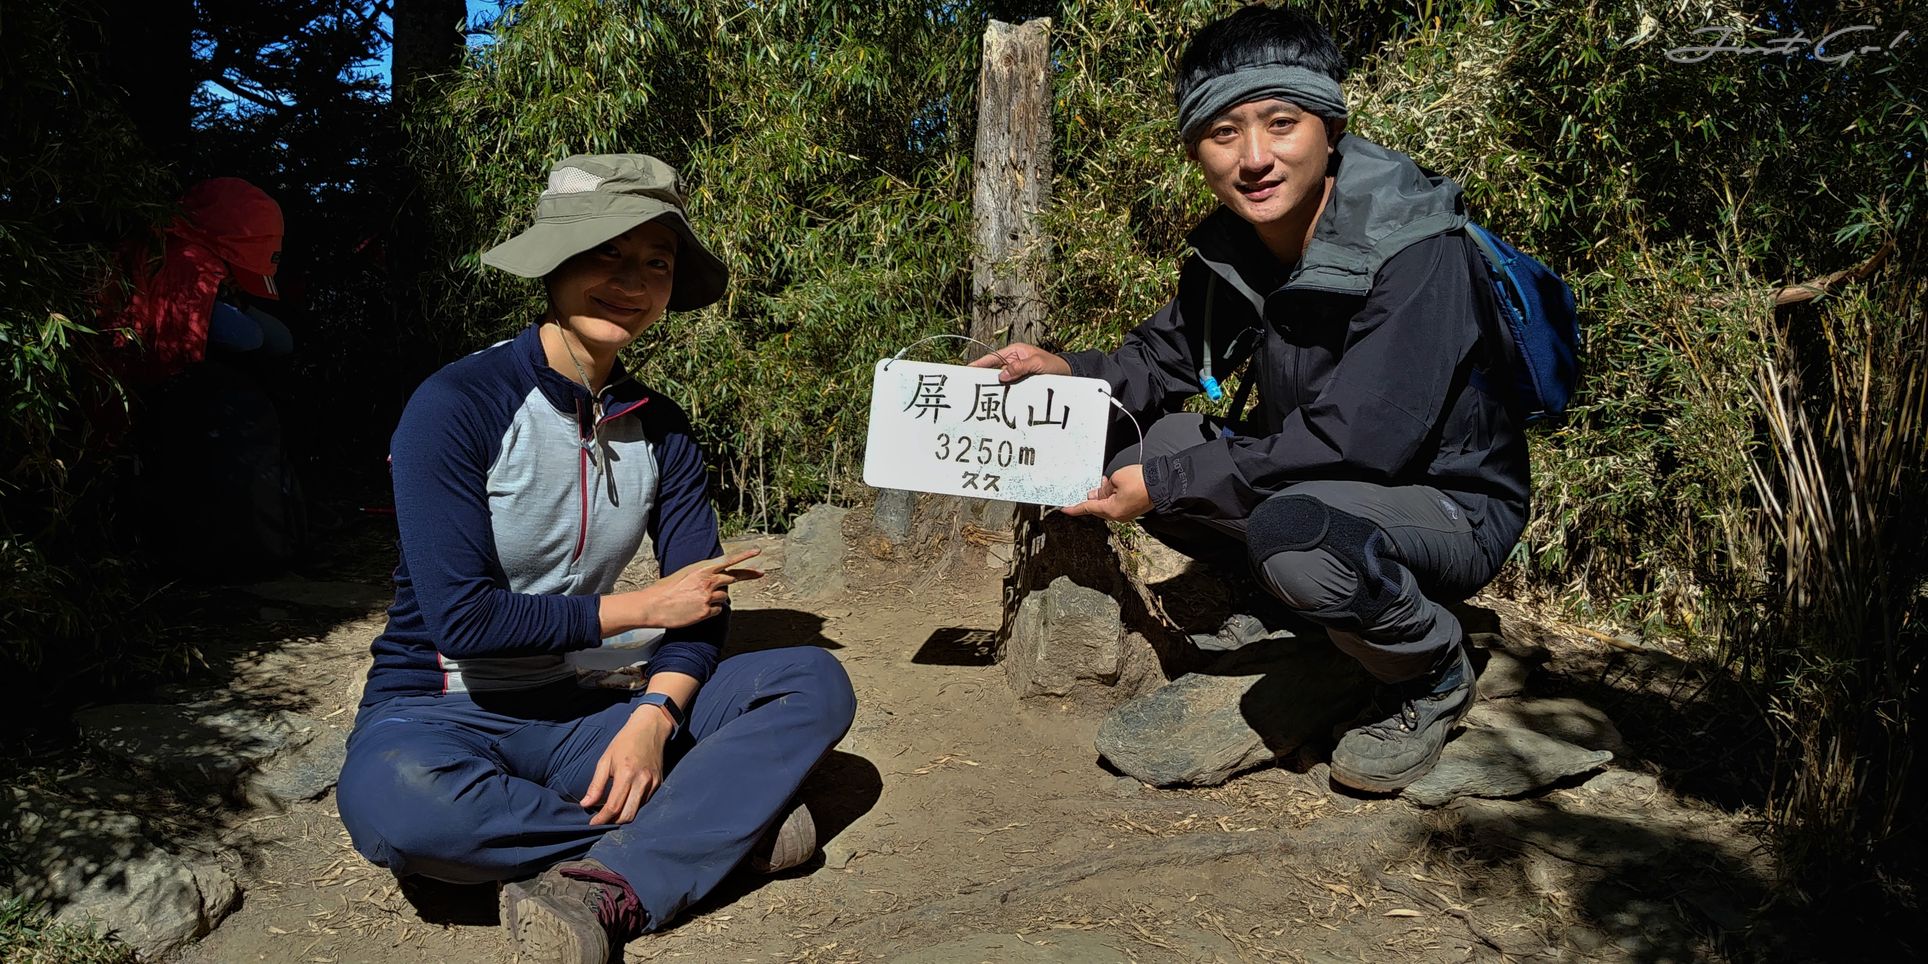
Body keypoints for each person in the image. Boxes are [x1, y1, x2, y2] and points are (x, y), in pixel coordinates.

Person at [972, 4, 1528, 793]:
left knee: (1284, 529)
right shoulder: (1237, 246)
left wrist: (1167, 488)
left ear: (1330, 127)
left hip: (1447, 506)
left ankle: (1431, 669)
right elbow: (1165, 361)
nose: (1255, 158)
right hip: (1319, 480)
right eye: (1224, 133)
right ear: (1196, 148)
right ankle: (1304, 606)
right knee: (1142, 443)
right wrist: (1066, 369)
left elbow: (1361, 441)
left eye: (1280, 123)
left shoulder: (1416, 248)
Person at [336, 153, 857, 963]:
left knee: (810, 681)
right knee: (402, 811)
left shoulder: (663, 428)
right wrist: (645, 609)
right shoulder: (457, 406)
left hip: (586, 707)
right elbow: (462, 620)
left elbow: (702, 602)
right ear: (554, 262)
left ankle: (607, 887)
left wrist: (655, 717)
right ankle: (710, 822)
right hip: (440, 710)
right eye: (605, 254)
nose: (632, 281)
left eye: (656, 262)